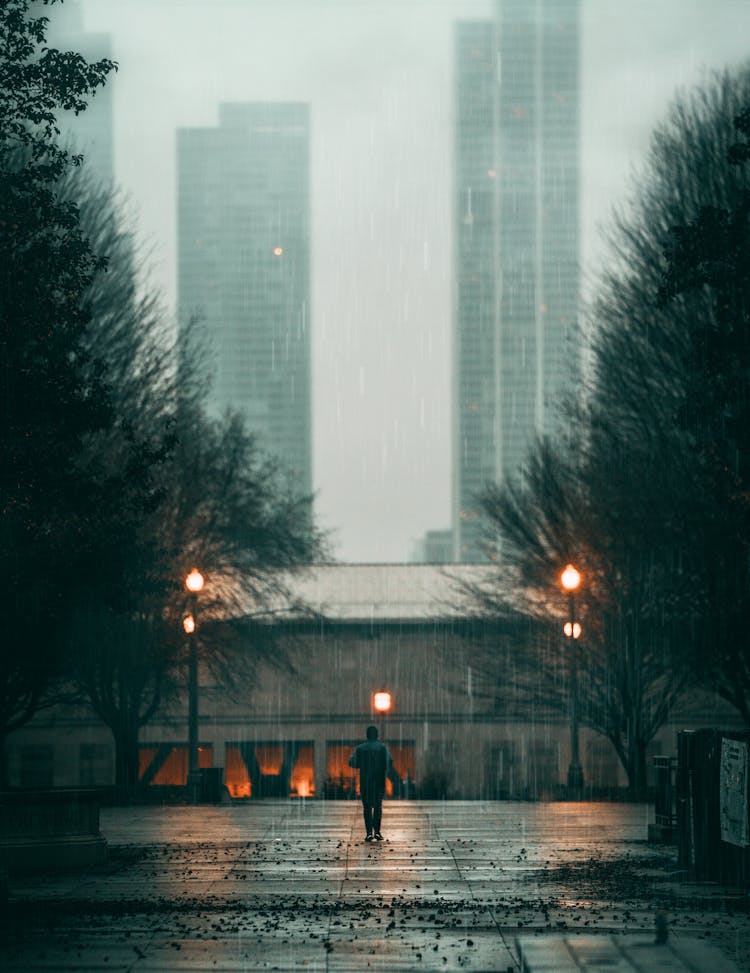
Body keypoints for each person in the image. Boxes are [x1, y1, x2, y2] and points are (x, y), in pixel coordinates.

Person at [348, 725, 393, 841]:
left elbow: (352, 762)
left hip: (365, 781)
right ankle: (377, 832)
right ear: (377, 735)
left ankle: (368, 833)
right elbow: (389, 761)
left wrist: (363, 764)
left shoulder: (360, 748)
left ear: (367, 735)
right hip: (379, 780)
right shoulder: (382, 748)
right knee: (378, 806)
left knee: (367, 807)